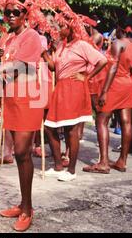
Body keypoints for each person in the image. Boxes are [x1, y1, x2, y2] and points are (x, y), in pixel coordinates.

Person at [0, 0, 45, 231]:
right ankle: (23, 203)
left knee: (23, 151)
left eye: (16, 12)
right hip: (11, 99)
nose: (11, 16)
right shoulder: (8, 37)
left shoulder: (32, 36)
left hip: (28, 98)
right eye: (7, 13)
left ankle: (27, 210)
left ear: (25, 14)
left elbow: (19, 65)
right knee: (18, 154)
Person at [42, 20, 107, 181]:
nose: (57, 29)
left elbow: (102, 60)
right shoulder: (62, 45)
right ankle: (58, 166)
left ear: (71, 28)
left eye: (61, 26)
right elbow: (54, 68)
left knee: (71, 129)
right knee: (50, 127)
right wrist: (44, 54)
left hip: (74, 88)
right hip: (61, 88)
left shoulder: (82, 45)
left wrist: (86, 76)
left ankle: (71, 171)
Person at [83, 18, 132, 174]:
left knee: (102, 120)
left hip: (114, 83)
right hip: (127, 83)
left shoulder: (117, 43)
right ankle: (122, 161)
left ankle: (103, 162)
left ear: (119, 29)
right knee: (126, 121)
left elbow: (113, 68)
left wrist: (104, 91)